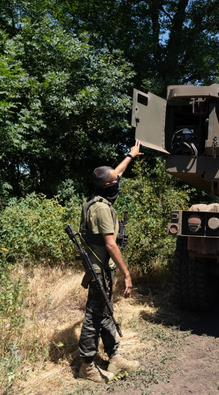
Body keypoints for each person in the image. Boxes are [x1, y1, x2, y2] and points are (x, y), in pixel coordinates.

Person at [77, 140, 143, 383]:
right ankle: (86, 366)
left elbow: (116, 173)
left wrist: (130, 155)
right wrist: (127, 273)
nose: (118, 182)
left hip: (103, 267)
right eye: (115, 181)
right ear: (107, 185)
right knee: (94, 315)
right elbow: (110, 244)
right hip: (99, 269)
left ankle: (114, 356)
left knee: (106, 310)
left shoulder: (99, 195)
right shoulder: (102, 209)